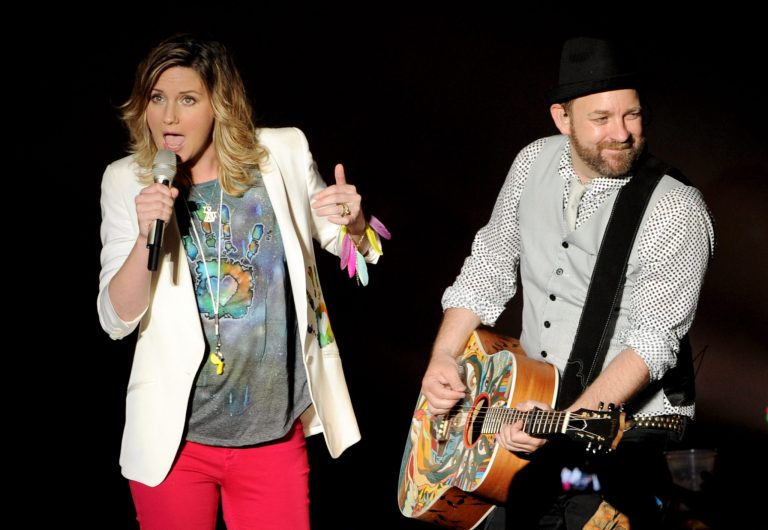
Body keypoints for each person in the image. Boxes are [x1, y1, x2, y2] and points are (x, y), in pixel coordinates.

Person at [420, 36, 714, 529]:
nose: (621, 134)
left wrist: (565, 424)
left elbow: (651, 343)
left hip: (624, 438)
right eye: (600, 119)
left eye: (633, 115)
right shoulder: (531, 162)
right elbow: (487, 267)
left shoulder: (676, 210)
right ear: (562, 118)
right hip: (521, 416)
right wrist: (442, 356)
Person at [97, 33, 388, 530]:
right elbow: (116, 319)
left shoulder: (280, 154)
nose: (168, 117)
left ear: (219, 104)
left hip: (271, 437)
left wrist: (357, 225)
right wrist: (146, 232)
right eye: (157, 99)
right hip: (175, 442)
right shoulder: (126, 181)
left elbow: (353, 250)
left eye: (187, 99)